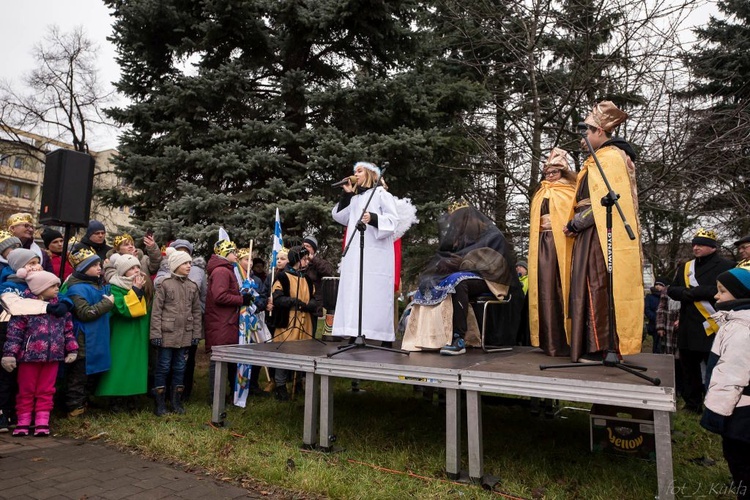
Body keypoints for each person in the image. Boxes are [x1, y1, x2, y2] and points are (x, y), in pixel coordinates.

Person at [563, 101, 644, 362]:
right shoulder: (596, 161)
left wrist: (576, 223)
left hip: (600, 233)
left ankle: (601, 346)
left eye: (586, 132)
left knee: (597, 284)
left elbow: (603, 201)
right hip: (590, 231)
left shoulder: (609, 159)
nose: (582, 139)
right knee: (589, 285)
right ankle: (592, 344)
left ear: (600, 131)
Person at [402, 201, 523, 354]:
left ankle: (458, 338)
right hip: (465, 275)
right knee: (429, 281)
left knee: (458, 282)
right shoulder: (459, 239)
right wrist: (443, 265)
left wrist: (463, 264)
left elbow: (497, 266)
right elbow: (446, 257)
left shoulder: (494, 236)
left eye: (459, 221)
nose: (456, 226)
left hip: (492, 280)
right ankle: (426, 338)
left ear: (470, 219)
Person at [1, 270, 77, 436]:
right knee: (26, 389)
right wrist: (9, 354)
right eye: (52, 286)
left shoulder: (61, 309)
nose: (57, 288)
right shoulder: (25, 308)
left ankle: (42, 421)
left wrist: (72, 348)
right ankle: (23, 421)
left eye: (58, 285)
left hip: (53, 357)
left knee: (47, 389)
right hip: (29, 358)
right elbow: (14, 334)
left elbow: (68, 331)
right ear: (40, 288)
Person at [331, 161, 399, 344]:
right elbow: (339, 216)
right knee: (355, 291)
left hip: (376, 254)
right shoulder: (355, 199)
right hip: (356, 254)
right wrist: (346, 194)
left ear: (370, 174)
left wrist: (374, 218)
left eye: (359, 171)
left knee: (374, 294)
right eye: (354, 171)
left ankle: (383, 336)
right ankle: (354, 331)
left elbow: (393, 222)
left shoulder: (382, 195)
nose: (355, 174)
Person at [668, 229, 734, 413]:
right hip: (688, 325)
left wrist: (697, 292)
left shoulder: (726, 265)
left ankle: (716, 404)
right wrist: (687, 293)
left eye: (701, 245)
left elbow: (727, 291)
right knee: (689, 368)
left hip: (712, 325)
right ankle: (692, 403)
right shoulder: (686, 267)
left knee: (715, 367)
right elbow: (673, 290)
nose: (696, 248)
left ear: (712, 247)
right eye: (694, 244)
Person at [700, 267, 750, 497]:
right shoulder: (737, 322)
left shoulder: (740, 329)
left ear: (740, 294)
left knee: (739, 460)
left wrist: (714, 417)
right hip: (741, 409)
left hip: (739, 412)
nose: (716, 296)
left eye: (722, 291)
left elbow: (729, 378)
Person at [528, 148, 577, 357]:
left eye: (554, 172)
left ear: (563, 172)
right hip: (543, 243)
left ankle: (568, 340)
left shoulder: (570, 191)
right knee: (544, 288)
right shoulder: (540, 193)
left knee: (562, 287)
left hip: (562, 244)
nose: (549, 175)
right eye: (547, 172)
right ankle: (549, 340)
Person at [62, 247, 114, 417]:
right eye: (95, 265)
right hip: (83, 340)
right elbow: (84, 313)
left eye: (100, 264)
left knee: (91, 374)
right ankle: (74, 407)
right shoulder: (76, 290)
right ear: (83, 268)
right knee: (79, 375)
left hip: (96, 337)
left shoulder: (97, 285)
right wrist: (106, 304)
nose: (100, 268)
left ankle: (84, 402)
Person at [150, 250, 202, 416]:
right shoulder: (165, 285)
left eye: (189, 263)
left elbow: (196, 312)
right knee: (163, 367)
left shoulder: (192, 286)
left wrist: (196, 334)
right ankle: (160, 403)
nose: (189, 266)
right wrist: (155, 334)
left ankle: (176, 402)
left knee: (180, 368)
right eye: (185, 263)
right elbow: (156, 312)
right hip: (167, 334)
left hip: (185, 335)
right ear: (175, 265)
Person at [96, 254, 150, 406]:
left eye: (138, 267)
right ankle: (115, 397)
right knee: (120, 362)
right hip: (121, 333)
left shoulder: (142, 284)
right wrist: (136, 290)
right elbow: (123, 309)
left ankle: (134, 395)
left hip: (138, 331)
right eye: (131, 268)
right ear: (122, 271)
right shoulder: (115, 287)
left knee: (136, 363)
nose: (136, 271)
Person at [205, 240, 251, 403]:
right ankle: (215, 398)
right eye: (233, 252)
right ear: (224, 254)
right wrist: (241, 299)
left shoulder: (227, 270)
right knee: (218, 360)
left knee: (227, 360)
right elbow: (219, 296)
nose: (236, 254)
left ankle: (226, 395)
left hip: (226, 322)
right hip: (221, 323)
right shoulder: (221, 272)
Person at [270, 246, 316, 400]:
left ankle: (299, 385)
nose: (306, 261)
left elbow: (314, 297)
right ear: (297, 260)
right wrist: (293, 301)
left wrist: (310, 305)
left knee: (303, 353)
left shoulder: (307, 279)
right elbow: (277, 298)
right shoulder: (283, 277)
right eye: (304, 258)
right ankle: (281, 386)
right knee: (284, 354)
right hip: (288, 321)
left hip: (305, 321)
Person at [645, 277, 669, 354]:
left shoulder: (667, 297)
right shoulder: (649, 297)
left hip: (666, 325)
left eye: (660, 285)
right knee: (656, 345)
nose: (658, 286)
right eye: (657, 284)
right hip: (653, 325)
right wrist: (657, 319)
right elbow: (647, 309)